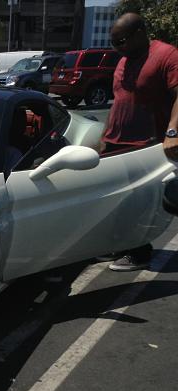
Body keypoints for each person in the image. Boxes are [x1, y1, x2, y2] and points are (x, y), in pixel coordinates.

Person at [100, 13, 178, 271]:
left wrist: (173, 132)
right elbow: (119, 100)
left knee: (139, 202)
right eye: (114, 43)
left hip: (146, 144)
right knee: (116, 200)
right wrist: (105, 137)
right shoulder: (123, 61)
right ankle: (121, 244)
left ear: (140, 33)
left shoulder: (167, 55)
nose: (118, 48)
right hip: (116, 142)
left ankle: (139, 251)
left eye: (121, 41)